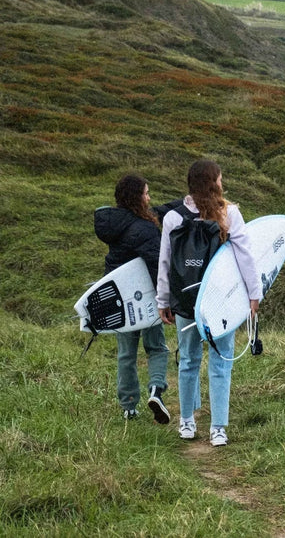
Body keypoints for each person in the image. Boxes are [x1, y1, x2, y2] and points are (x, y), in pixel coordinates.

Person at [157, 159, 262, 447]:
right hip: (221, 300)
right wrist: (255, 295)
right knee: (221, 360)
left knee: (188, 359)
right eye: (220, 179)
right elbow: (245, 257)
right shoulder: (229, 214)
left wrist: (163, 300)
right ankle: (218, 429)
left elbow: (165, 263)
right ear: (214, 183)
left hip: (185, 299)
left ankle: (187, 423)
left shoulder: (173, 218)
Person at [94, 174, 181, 423]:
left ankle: (129, 405)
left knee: (126, 352)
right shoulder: (145, 228)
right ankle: (156, 390)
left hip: (119, 296)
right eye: (146, 193)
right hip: (145, 296)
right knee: (156, 348)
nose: (149, 197)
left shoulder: (116, 222)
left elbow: (156, 211)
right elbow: (156, 266)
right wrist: (166, 301)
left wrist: (184, 202)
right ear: (136, 198)